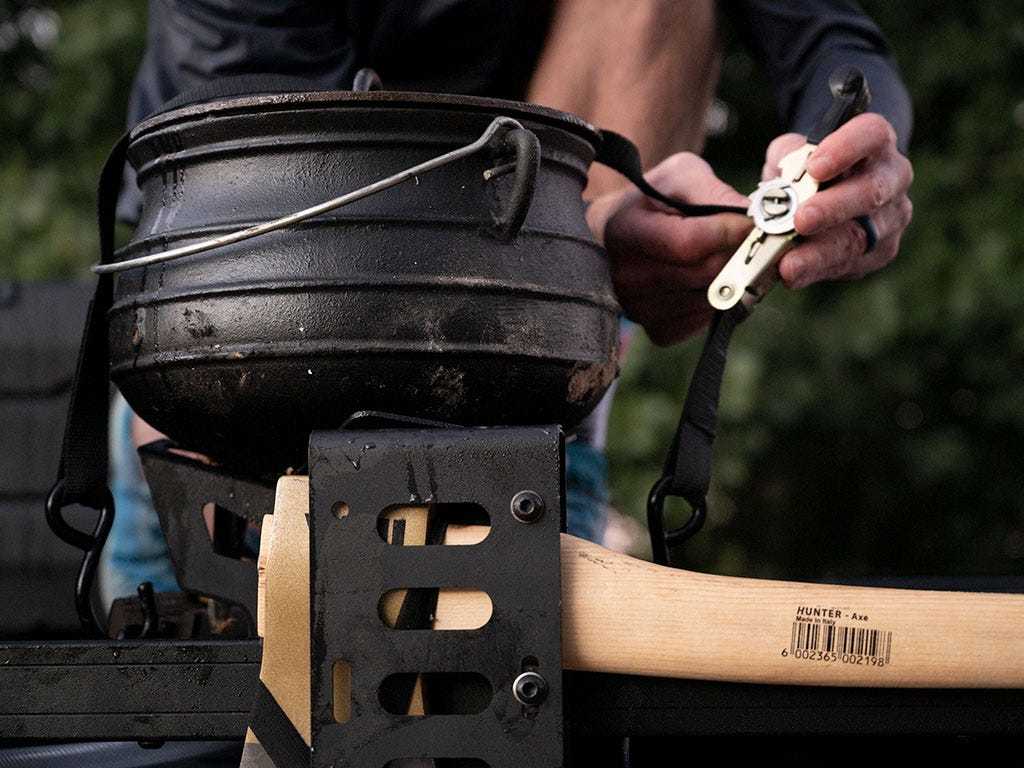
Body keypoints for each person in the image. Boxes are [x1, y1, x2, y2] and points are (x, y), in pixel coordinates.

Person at [100, 0, 914, 603]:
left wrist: (843, 159)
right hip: (236, 394)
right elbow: (277, 200)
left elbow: (832, 44)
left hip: (531, 389)